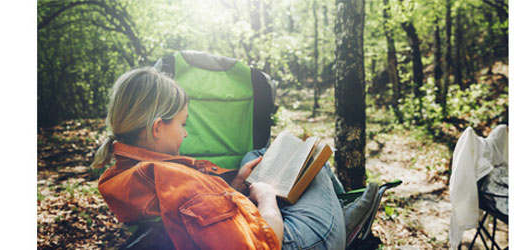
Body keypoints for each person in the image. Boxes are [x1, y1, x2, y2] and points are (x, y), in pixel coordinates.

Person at [92, 67, 345, 250]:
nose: (186, 133)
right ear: (157, 128)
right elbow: (264, 246)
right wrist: (267, 199)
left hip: (238, 223)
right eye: (182, 123)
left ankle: (339, 211)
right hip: (292, 241)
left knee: (257, 155)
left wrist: (234, 185)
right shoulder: (178, 182)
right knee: (313, 158)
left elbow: (200, 215)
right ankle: (343, 222)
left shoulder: (122, 173)